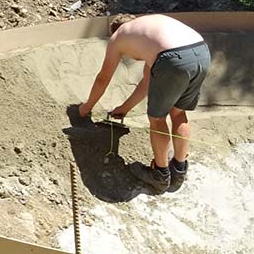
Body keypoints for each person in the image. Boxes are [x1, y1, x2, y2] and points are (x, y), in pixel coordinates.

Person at [78, 13, 211, 193]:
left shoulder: (118, 36)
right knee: (178, 113)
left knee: (157, 119)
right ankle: (179, 171)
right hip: (201, 52)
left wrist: (86, 108)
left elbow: (103, 78)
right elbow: (148, 82)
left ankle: (160, 174)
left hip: (173, 58)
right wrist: (124, 109)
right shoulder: (148, 33)